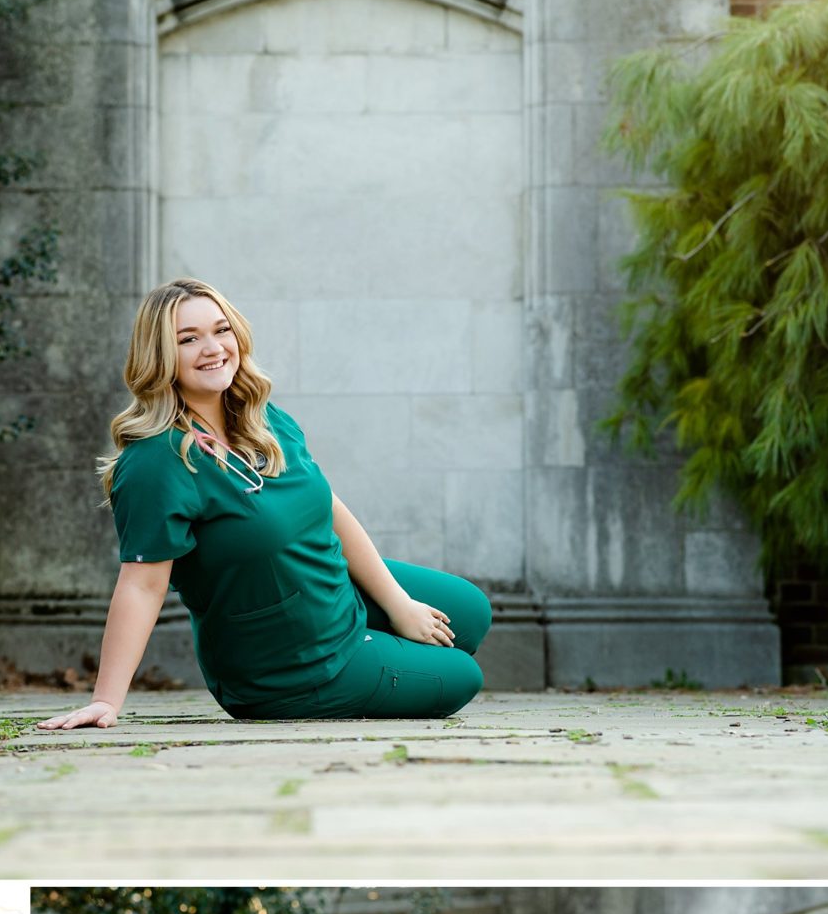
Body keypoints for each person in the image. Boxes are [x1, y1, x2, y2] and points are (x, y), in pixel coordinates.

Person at [36, 277, 490, 731]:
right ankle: (364, 661)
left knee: (470, 612)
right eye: (188, 339)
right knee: (463, 676)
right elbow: (141, 586)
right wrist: (106, 701)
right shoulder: (156, 462)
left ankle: (382, 642)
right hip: (292, 666)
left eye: (221, 330)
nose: (212, 348)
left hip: (332, 593)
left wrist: (397, 603)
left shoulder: (261, 416)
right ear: (160, 355)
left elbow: (327, 507)